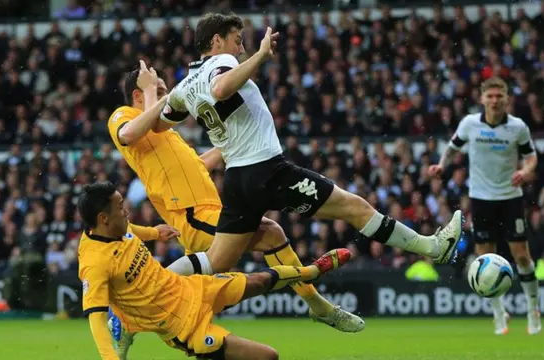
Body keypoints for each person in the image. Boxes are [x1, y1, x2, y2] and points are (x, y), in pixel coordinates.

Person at [159, 13, 464, 282]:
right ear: (216, 40)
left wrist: (151, 94)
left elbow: (161, 121)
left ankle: (149, 288)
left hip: (237, 179)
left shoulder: (183, 86)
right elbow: (221, 88)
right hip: (266, 169)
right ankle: (433, 248)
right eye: (237, 41)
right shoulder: (221, 62)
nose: (240, 49)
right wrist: (261, 55)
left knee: (216, 260)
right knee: (354, 208)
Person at [107, 61, 362, 357]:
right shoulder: (123, 116)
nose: (168, 96)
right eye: (158, 89)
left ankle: (127, 319)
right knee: (269, 233)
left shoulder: (168, 137)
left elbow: (197, 166)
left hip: (210, 209)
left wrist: (233, 145)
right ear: (138, 95)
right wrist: (157, 91)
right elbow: (128, 134)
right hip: (190, 213)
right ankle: (318, 305)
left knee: (184, 291)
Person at [77, 181, 351, 360]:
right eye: (121, 209)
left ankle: (313, 271)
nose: (127, 212)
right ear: (103, 219)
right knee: (269, 357)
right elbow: (96, 319)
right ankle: (125, 324)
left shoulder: (115, 228)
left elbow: (129, 231)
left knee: (258, 281)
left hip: (188, 288)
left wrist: (153, 233)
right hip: (182, 326)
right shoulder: (95, 264)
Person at [428, 76, 541, 335]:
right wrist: (442, 165)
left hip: (510, 197)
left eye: (499, 96)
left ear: (506, 99)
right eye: (490, 96)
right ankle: (498, 313)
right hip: (480, 199)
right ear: (482, 99)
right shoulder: (470, 124)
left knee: (521, 256)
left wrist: (525, 171)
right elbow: (452, 147)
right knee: (484, 258)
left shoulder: (517, 127)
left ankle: (533, 309)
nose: (494, 100)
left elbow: (532, 156)